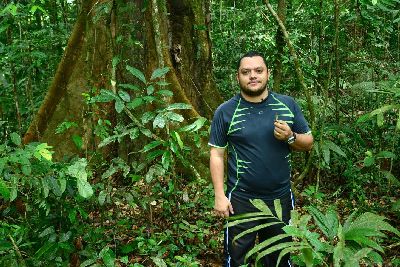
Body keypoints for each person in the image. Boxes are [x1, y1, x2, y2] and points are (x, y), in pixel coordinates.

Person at [209, 51, 313, 267]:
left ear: (268, 74)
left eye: (258, 70)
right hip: (240, 200)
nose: (252, 76)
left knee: (278, 259)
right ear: (238, 77)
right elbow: (217, 154)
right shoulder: (225, 111)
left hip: (280, 199)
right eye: (246, 72)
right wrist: (219, 195)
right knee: (237, 259)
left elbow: (309, 142)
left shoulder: (287, 105)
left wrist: (290, 136)